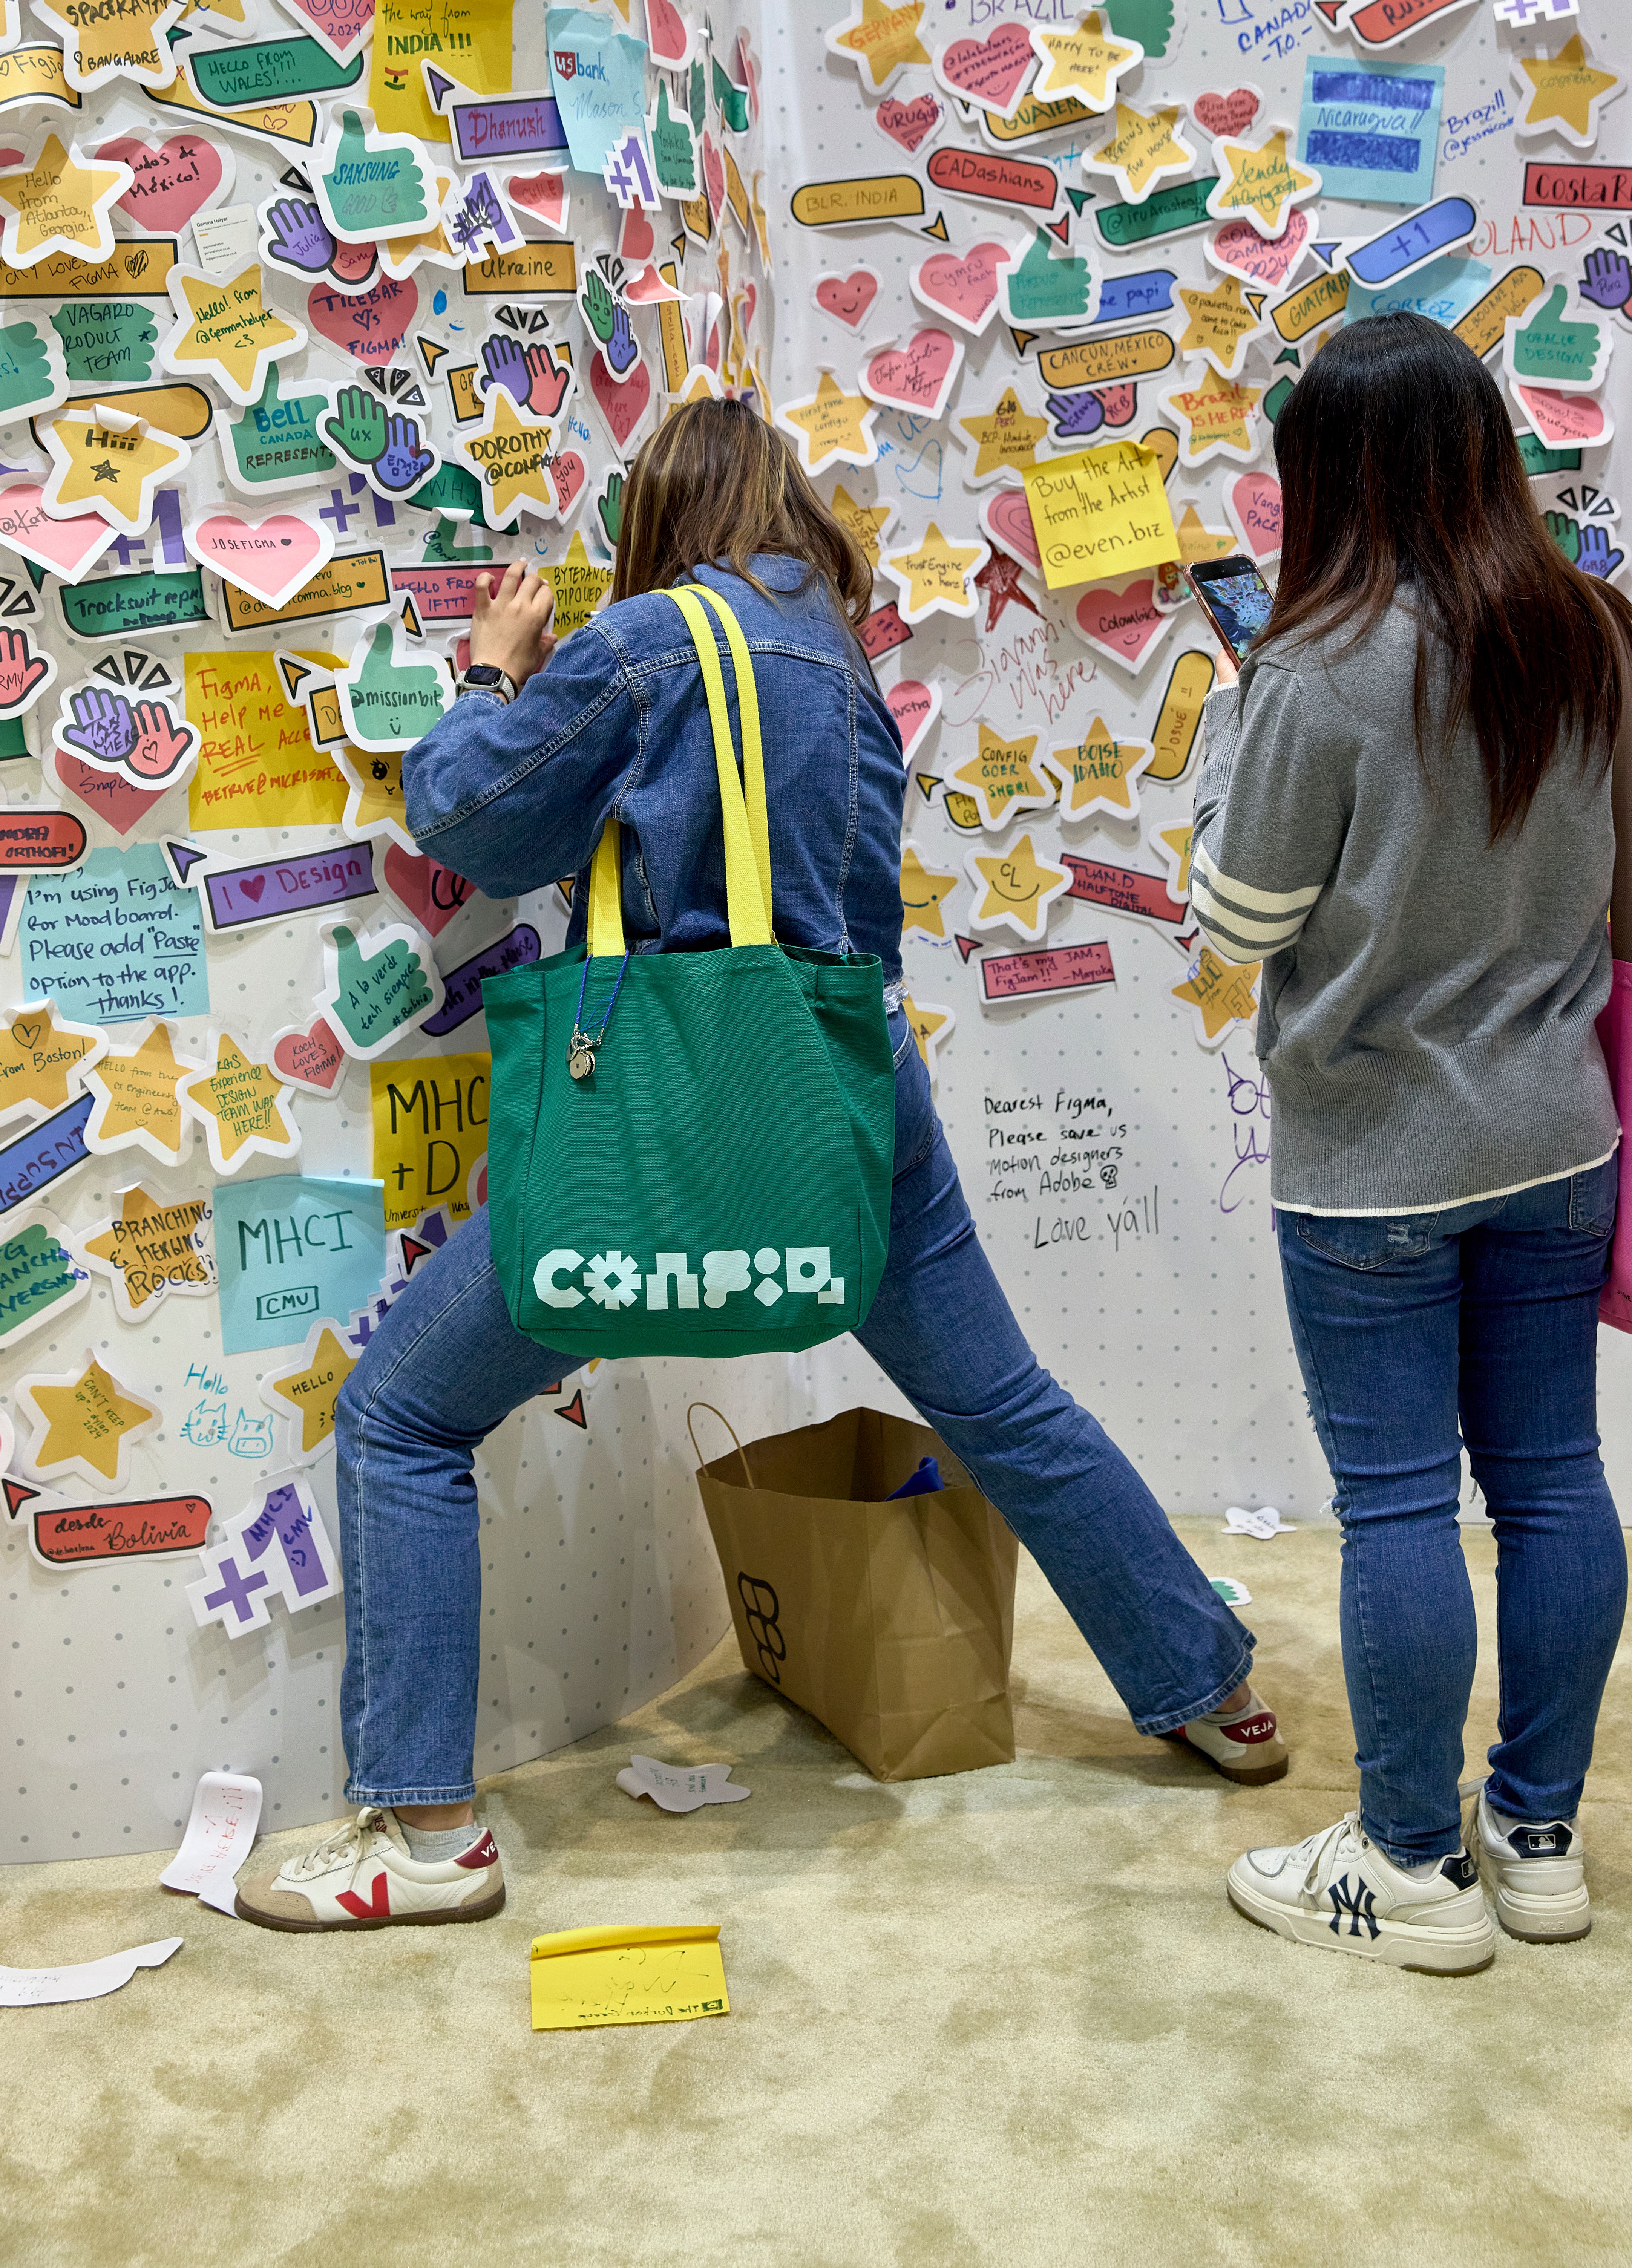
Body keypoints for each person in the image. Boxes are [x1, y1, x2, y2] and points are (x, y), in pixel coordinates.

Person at [239, 398, 1284, 1931]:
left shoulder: (654, 638)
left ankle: (424, 1829)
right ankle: (1207, 1685)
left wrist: (488, 672)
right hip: (854, 1093)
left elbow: (467, 814)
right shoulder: (840, 660)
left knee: (402, 1414)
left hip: (670, 1117)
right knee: (998, 1400)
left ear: (660, 513)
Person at [1192, 314, 1632, 1976]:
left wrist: (1219, 735)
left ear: (1330, 477)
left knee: (1394, 1509)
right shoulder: (1583, 629)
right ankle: (1534, 1841)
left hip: (1373, 1150)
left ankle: (1402, 1864)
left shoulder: (1309, 670)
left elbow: (1238, 917)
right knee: (1550, 1482)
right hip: (1559, 1132)